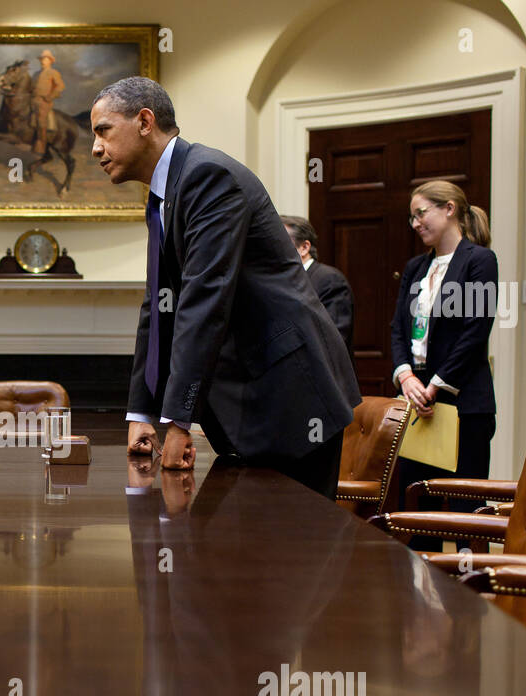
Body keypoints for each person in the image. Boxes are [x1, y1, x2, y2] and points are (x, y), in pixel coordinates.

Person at [90, 77, 360, 498]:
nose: (95, 148)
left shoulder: (206, 176)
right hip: (252, 400)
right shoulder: (162, 196)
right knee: (245, 554)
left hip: (289, 397)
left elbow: (205, 301)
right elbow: (158, 307)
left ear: (145, 121)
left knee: (298, 554)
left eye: (103, 130)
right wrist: (142, 411)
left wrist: (178, 421)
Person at [390, 180, 497, 551]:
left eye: (422, 213)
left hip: (462, 402)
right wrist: (405, 375)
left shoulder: (479, 260)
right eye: (412, 217)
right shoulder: (415, 267)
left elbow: (475, 331)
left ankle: (469, 597)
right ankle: (420, 598)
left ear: (449, 209)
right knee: (419, 504)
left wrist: (435, 384)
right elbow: (399, 330)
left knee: (464, 507)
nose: (416, 223)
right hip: (418, 401)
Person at [282, 215, 354, 355]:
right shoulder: (283, 282)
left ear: (304, 247)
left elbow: (333, 340)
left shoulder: (330, 280)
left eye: (281, 243)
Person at [32, 50, 65, 155]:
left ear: (50, 61)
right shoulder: (36, 74)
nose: (43, 61)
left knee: (41, 121)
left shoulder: (53, 72)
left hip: (44, 102)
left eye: (45, 59)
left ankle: (41, 146)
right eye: (42, 59)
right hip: (33, 99)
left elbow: (60, 86)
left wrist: (50, 96)